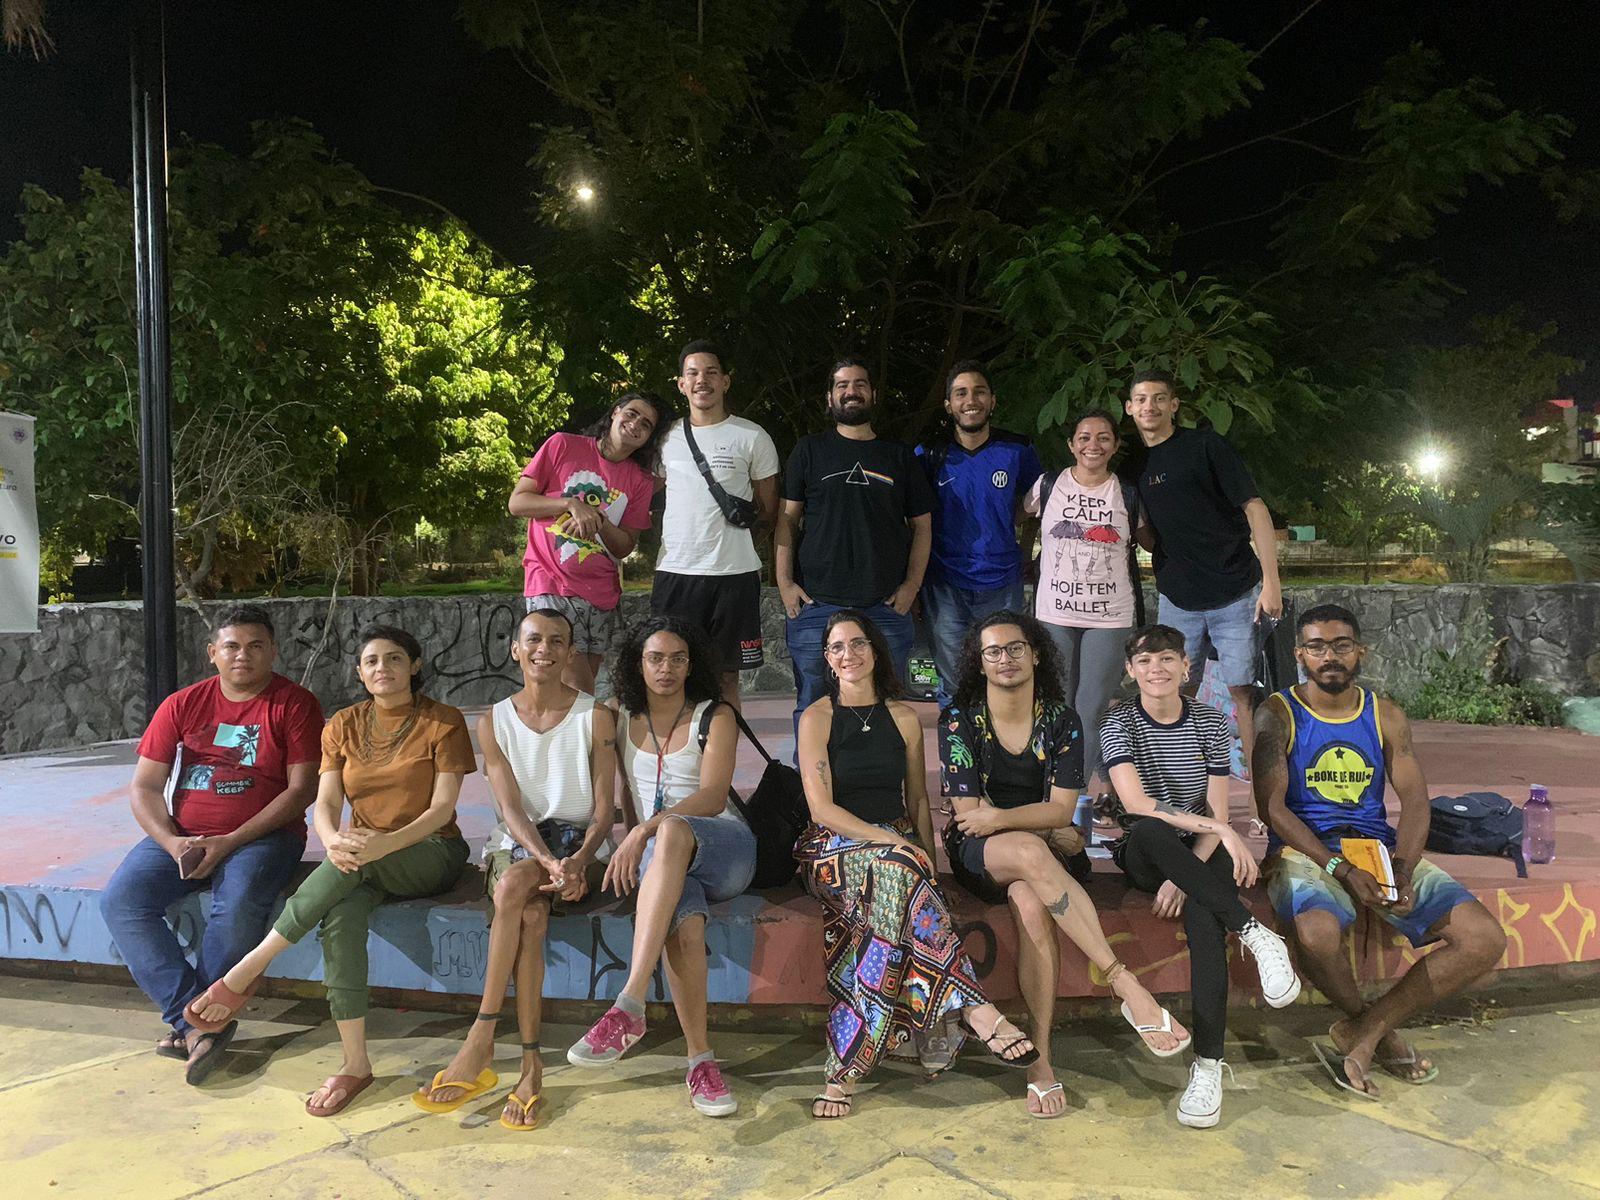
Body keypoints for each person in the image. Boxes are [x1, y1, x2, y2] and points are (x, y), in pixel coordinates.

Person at [940, 610, 1222, 1119]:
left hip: (1044, 859)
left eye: (1015, 648)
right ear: (979, 663)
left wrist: (1015, 819)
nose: (1005, 659)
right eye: (993, 652)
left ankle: (1041, 1061)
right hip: (983, 856)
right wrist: (1031, 827)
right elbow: (970, 816)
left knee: (1030, 901)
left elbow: (1062, 810)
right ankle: (1125, 983)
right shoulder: (961, 719)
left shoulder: (1061, 720)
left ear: (1036, 654)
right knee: (1029, 853)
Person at [184, 625, 475, 1117]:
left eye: (394, 658)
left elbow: (442, 809)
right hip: (358, 857)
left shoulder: (442, 721)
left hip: (428, 850)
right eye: (372, 661)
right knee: (339, 918)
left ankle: (250, 966)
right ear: (360, 672)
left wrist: (382, 844)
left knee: (351, 870)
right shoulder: (343, 724)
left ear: (414, 666)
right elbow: (326, 802)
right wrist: (333, 839)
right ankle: (355, 1063)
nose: (383, 668)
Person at [1254, 604, 1506, 1100]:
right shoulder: (1278, 714)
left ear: (1360, 651)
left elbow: (1415, 801)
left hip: (1376, 849)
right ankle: (1373, 1030)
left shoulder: (1384, 714)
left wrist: (1404, 869)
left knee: (1483, 939)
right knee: (1316, 933)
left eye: (1341, 645)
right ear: (1300, 655)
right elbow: (1271, 809)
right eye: (1317, 647)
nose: (1330, 656)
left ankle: (1366, 1030)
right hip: (1306, 850)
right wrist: (1340, 868)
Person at [796, 609, 1037, 1119]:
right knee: (897, 870)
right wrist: (890, 842)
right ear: (827, 659)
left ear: (875, 650)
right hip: (834, 846)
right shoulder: (817, 717)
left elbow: (919, 801)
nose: (848, 654)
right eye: (837, 647)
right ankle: (973, 1007)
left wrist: (929, 862)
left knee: (896, 892)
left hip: (897, 850)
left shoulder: (904, 717)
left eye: (858, 644)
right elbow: (822, 809)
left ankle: (845, 1071)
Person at [100, 604, 323, 1085]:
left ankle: (198, 1024)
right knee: (122, 901)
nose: (243, 655)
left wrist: (231, 841)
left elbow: (301, 790)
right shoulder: (183, 704)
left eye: (256, 646)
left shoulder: (294, 704)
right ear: (212, 653)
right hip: (182, 835)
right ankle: (195, 1020)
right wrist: (172, 842)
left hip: (263, 838)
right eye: (232, 646)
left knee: (237, 905)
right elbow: (144, 787)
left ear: (273, 651)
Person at [415, 608, 616, 1129]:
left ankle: (481, 1037)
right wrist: (545, 859)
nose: (544, 649)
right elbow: (509, 810)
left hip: (582, 845)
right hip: (521, 842)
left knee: (513, 888)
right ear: (515, 649)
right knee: (526, 908)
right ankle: (529, 1067)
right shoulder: (493, 721)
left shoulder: (596, 716)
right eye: (534, 640)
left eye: (556, 641)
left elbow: (603, 810)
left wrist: (578, 860)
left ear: (570, 652)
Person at [1098, 624, 1301, 1128]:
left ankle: (1208, 1067)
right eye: (1145, 661)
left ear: (1186, 666)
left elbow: (1216, 809)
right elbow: (1137, 805)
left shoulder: (1209, 720)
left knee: (1205, 922)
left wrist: (1188, 871)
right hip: (1145, 850)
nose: (1157, 669)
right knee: (1151, 829)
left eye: (1167, 658)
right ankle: (1255, 932)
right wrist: (1217, 832)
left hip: (1200, 850)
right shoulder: (1118, 722)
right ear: (1130, 671)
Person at [567, 615, 755, 1118]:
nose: (666, 668)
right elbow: (618, 790)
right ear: (638, 663)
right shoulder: (618, 716)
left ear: (691, 665)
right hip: (664, 861)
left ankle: (629, 1001)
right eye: (655, 658)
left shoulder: (715, 715)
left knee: (670, 829)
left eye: (677, 659)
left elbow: (713, 797)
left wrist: (641, 832)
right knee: (684, 927)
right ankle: (701, 1063)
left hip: (725, 849)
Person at [1125, 368, 1283, 770]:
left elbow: (1255, 508)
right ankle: (1180, 786)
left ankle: (1261, 796)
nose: (1149, 406)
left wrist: (1271, 582)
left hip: (1236, 590)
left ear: (1174, 405)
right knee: (1172, 692)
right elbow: (1148, 537)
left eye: (1159, 398)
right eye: (1141, 399)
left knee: (1244, 693)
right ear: (1129, 408)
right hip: (1178, 597)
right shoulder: (1133, 465)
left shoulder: (1206, 446)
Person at [777, 356, 933, 745]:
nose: (852, 391)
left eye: (860, 384)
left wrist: (912, 586)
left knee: (884, 706)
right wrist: (783, 582)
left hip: (885, 606)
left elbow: (922, 526)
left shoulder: (900, 456)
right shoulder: (808, 450)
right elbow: (786, 521)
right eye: (842, 385)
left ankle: (879, 782)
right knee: (813, 706)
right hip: (816, 604)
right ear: (829, 398)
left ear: (873, 394)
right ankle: (811, 784)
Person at [510, 390, 670, 693]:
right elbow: (517, 503)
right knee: (575, 685)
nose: (636, 424)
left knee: (576, 692)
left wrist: (600, 519)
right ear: (615, 412)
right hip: (550, 583)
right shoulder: (562, 445)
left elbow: (625, 545)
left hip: (601, 594)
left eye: (646, 424)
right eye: (632, 413)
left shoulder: (640, 480)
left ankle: (565, 727)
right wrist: (571, 504)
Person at [1026, 408, 1147, 799]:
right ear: (1071, 444)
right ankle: (1045, 791)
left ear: (1115, 445)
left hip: (1109, 615)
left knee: (1090, 708)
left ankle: (1072, 799)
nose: (1092, 445)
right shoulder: (1048, 485)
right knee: (1056, 704)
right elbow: (1018, 518)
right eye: (1084, 437)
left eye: (1103, 437)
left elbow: (1150, 538)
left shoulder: (1127, 492)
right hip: (1054, 611)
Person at [652, 340, 781, 708]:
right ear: (681, 384)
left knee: (726, 679)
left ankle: (721, 748)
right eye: (692, 373)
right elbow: (641, 494)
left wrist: (734, 545)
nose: (702, 380)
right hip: (676, 572)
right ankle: (680, 747)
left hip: (734, 575)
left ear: (725, 381)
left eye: (711, 372)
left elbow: (768, 510)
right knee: (670, 678)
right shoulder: (665, 438)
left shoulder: (752, 436)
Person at [916, 359, 1043, 707]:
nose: (970, 400)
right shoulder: (929, 454)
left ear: (992, 400)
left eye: (979, 392)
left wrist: (1025, 551)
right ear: (948, 405)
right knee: (954, 681)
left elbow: (1040, 502)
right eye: (961, 393)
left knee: (1004, 676)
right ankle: (958, 742)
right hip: (945, 583)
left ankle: (1002, 742)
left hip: (1002, 581)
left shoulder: (1017, 450)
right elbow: (913, 519)